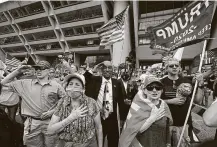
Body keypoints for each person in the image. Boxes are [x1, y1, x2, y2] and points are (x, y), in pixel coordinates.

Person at [0, 60, 67, 147]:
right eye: (37, 68)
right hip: (32, 124)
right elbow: (1, 84)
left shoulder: (56, 86)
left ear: (48, 71)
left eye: (41, 68)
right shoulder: (25, 84)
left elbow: (66, 100)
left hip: (50, 122)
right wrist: (17, 71)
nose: (38, 70)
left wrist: (53, 111)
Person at [47, 73, 103, 147]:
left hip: (87, 144)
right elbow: (50, 130)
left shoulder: (91, 103)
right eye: (70, 84)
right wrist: (71, 118)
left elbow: (98, 127)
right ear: (66, 87)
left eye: (77, 84)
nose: (73, 87)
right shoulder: (62, 102)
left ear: (83, 89)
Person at [160, 58, 204, 147]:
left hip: (185, 123)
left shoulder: (187, 82)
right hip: (166, 123)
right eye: (171, 66)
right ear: (166, 68)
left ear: (179, 68)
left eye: (177, 65)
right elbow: (154, 103)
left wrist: (200, 84)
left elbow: (197, 101)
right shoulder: (161, 83)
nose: (174, 67)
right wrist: (170, 101)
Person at [119, 76, 173, 147]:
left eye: (158, 87)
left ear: (161, 90)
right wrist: (151, 119)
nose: (154, 90)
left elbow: (168, 128)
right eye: (150, 87)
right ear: (144, 90)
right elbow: (131, 132)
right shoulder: (138, 105)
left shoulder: (164, 105)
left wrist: (168, 144)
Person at [84, 61, 125, 147]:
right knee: (98, 141)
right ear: (101, 70)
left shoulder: (117, 82)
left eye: (109, 67)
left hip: (112, 117)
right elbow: (85, 78)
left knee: (113, 142)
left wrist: (122, 119)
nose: (107, 70)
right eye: (104, 68)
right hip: (98, 117)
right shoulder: (95, 80)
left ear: (112, 70)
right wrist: (94, 69)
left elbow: (121, 101)